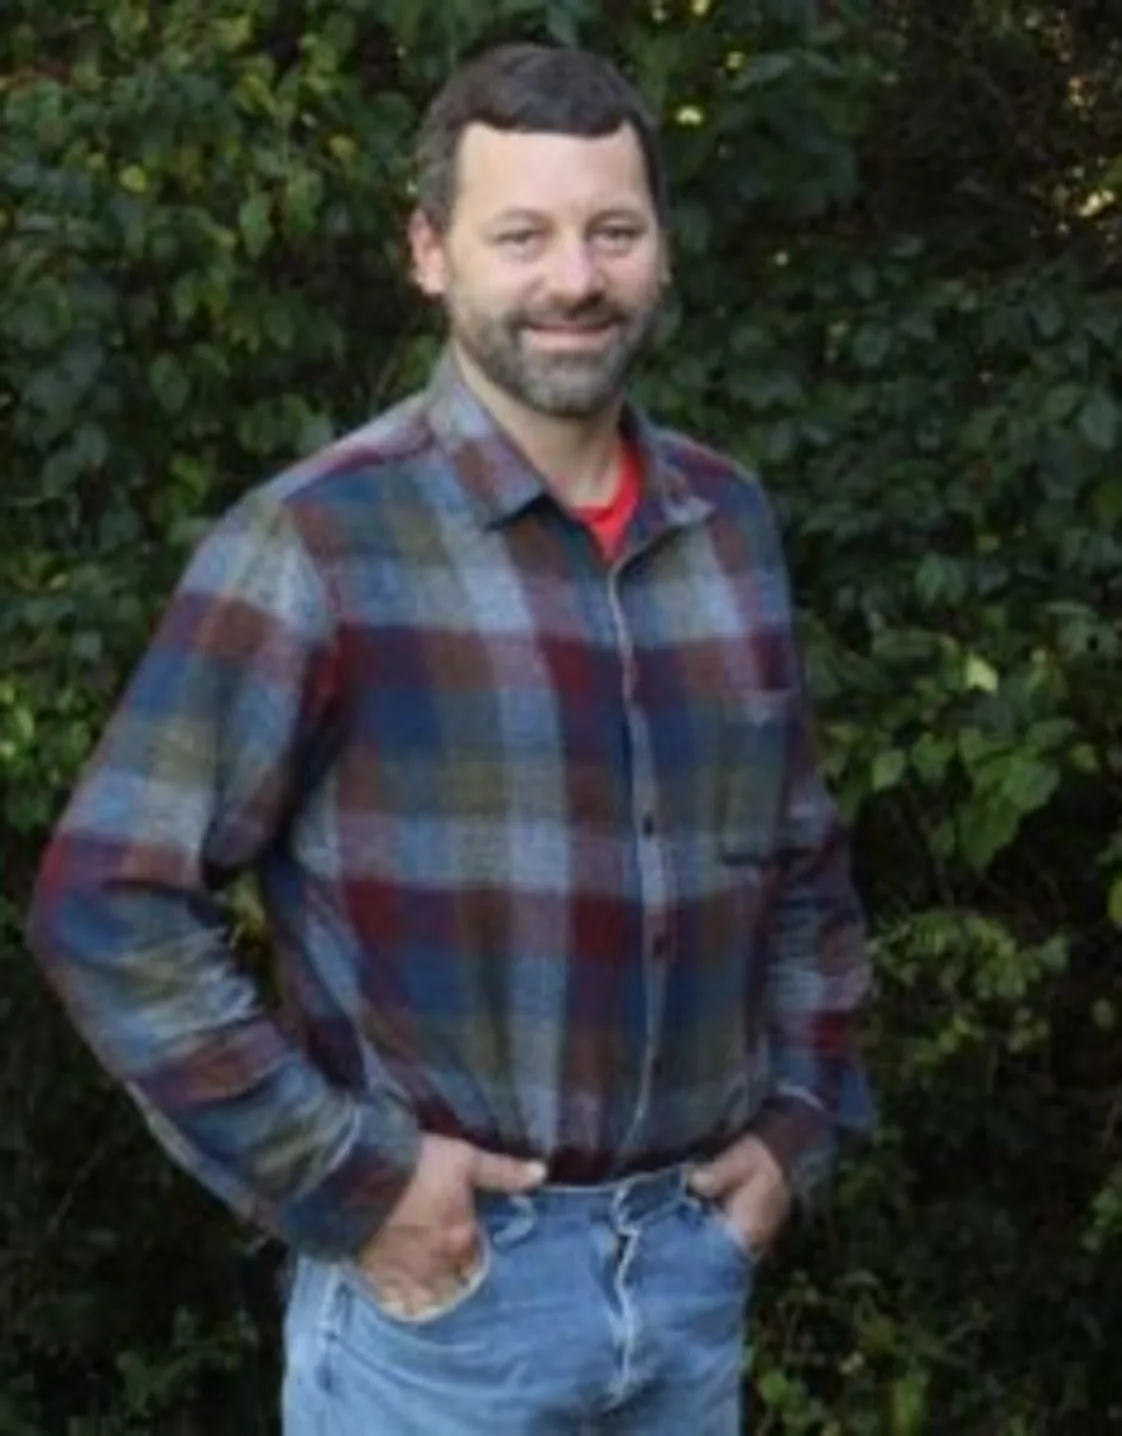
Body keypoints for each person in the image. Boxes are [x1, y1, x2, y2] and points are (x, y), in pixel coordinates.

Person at [27, 41, 872, 1436]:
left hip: (690, 1281)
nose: (574, 279)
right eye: (520, 234)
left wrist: (796, 1124)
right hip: (449, 1304)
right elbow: (109, 899)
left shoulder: (728, 526)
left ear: (660, 249)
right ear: (430, 252)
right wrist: (349, 1180)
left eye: (613, 230)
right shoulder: (317, 540)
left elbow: (802, 868)